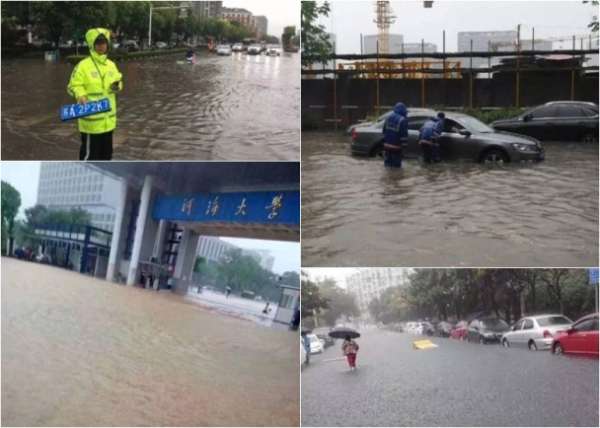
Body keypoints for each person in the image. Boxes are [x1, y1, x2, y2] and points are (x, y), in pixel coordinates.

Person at [67, 28, 123, 161]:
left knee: (107, 156)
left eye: (103, 43)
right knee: (90, 157)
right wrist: (80, 95)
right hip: (91, 124)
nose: (101, 46)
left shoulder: (111, 65)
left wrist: (117, 86)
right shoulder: (83, 66)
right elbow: (73, 86)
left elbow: (119, 82)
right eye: (98, 43)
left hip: (108, 123)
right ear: (92, 44)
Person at [382, 102, 409, 168]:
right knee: (396, 168)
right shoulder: (402, 120)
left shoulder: (388, 118)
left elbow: (384, 131)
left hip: (387, 147)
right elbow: (404, 136)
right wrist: (404, 148)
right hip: (396, 148)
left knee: (387, 166)